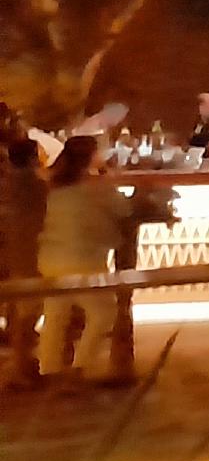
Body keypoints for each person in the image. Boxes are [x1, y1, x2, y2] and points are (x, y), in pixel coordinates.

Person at [35, 138, 135, 385]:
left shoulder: (53, 186)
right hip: (84, 259)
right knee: (103, 313)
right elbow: (125, 209)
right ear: (91, 156)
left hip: (50, 257)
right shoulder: (97, 187)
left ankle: (49, 370)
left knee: (55, 315)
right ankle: (80, 367)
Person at [1, 137, 49, 387]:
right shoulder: (35, 186)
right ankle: (20, 367)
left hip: (12, 252)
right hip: (30, 252)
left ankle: (21, 364)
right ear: (32, 158)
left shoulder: (7, 184)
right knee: (28, 311)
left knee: (19, 309)